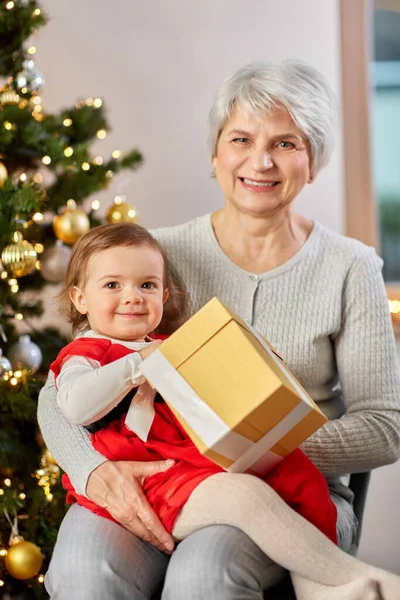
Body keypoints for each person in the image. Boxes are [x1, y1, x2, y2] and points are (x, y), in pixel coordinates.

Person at [38, 60, 400, 600]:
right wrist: (92, 471)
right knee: (82, 570)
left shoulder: (350, 267)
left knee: (204, 577)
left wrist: (257, 449)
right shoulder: (153, 256)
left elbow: (384, 427)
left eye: (286, 143)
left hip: (295, 497)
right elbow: (60, 388)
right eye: (241, 138)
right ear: (215, 154)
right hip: (149, 473)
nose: (261, 160)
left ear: (313, 160)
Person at [49, 221, 400, 600]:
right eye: (113, 285)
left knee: (294, 480)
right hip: (156, 479)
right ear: (79, 298)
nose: (133, 296)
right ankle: (357, 580)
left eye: (147, 286)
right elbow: (69, 403)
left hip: (205, 463)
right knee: (241, 497)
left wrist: (260, 431)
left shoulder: (166, 344)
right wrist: (139, 363)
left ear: (165, 295)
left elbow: (383, 426)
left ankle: (321, 584)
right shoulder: (91, 353)